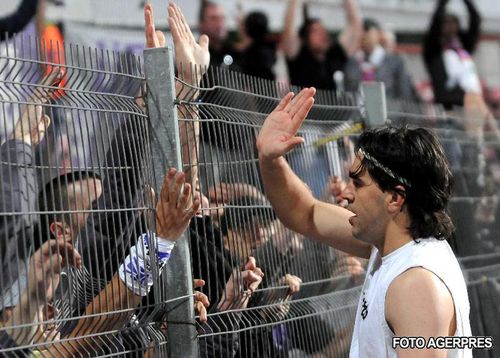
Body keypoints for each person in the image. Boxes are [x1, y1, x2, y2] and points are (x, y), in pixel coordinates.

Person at [256, 87, 471, 357]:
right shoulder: (391, 244)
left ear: (395, 198)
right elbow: (305, 213)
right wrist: (269, 158)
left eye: (357, 183)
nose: (345, 193)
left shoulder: (416, 285)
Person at [282, 0, 362, 90]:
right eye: (315, 31)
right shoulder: (298, 56)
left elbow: (355, 25)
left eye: (323, 30)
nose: (322, 34)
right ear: (304, 38)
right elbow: (288, 28)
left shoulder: (335, 54)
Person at [423, 0, 482, 109]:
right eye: (446, 23)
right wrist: (443, 3)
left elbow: (476, 20)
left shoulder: (463, 48)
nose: (450, 27)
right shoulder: (433, 50)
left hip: (469, 102)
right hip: (446, 106)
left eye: (454, 23)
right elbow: (434, 24)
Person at [343, 18, 419, 101]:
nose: (363, 35)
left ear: (378, 34)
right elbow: (348, 91)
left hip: (389, 111)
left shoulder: (395, 62)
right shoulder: (353, 62)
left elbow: (404, 93)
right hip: (360, 111)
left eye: (367, 30)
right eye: (359, 32)